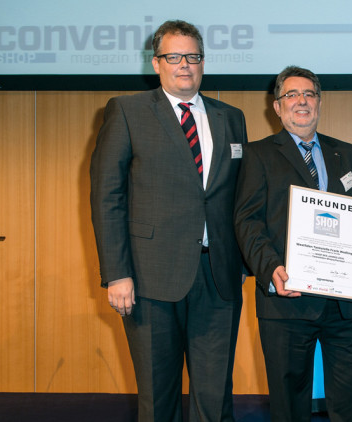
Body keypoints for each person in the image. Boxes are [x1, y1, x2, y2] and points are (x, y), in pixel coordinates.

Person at [90, 20, 247, 422]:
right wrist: (117, 272)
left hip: (218, 276)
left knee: (215, 398)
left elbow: (241, 196)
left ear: (203, 63)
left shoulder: (232, 117)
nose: (184, 65)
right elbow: (108, 197)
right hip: (149, 278)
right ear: (156, 63)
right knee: (158, 398)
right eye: (174, 57)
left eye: (192, 57)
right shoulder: (127, 111)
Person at [234, 65, 352, 422]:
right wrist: (270, 268)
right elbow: (247, 221)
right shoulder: (258, 155)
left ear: (319, 103)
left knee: (349, 404)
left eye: (309, 94)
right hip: (287, 301)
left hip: (343, 304)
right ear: (277, 107)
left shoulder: (346, 153)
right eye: (292, 95)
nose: (301, 101)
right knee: (290, 406)